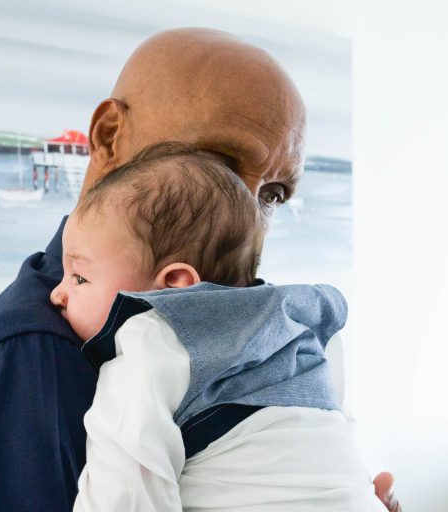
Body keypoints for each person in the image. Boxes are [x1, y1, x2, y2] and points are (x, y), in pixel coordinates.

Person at [0, 28, 402, 512]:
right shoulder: (34, 358)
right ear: (107, 138)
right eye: (217, 164)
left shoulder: (265, 334)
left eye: (272, 195)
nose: (249, 220)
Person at [53, 142, 387, 511]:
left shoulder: (151, 340)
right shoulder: (298, 326)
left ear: (176, 284)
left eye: (78, 277)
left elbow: (123, 495)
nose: (57, 293)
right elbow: (337, 437)